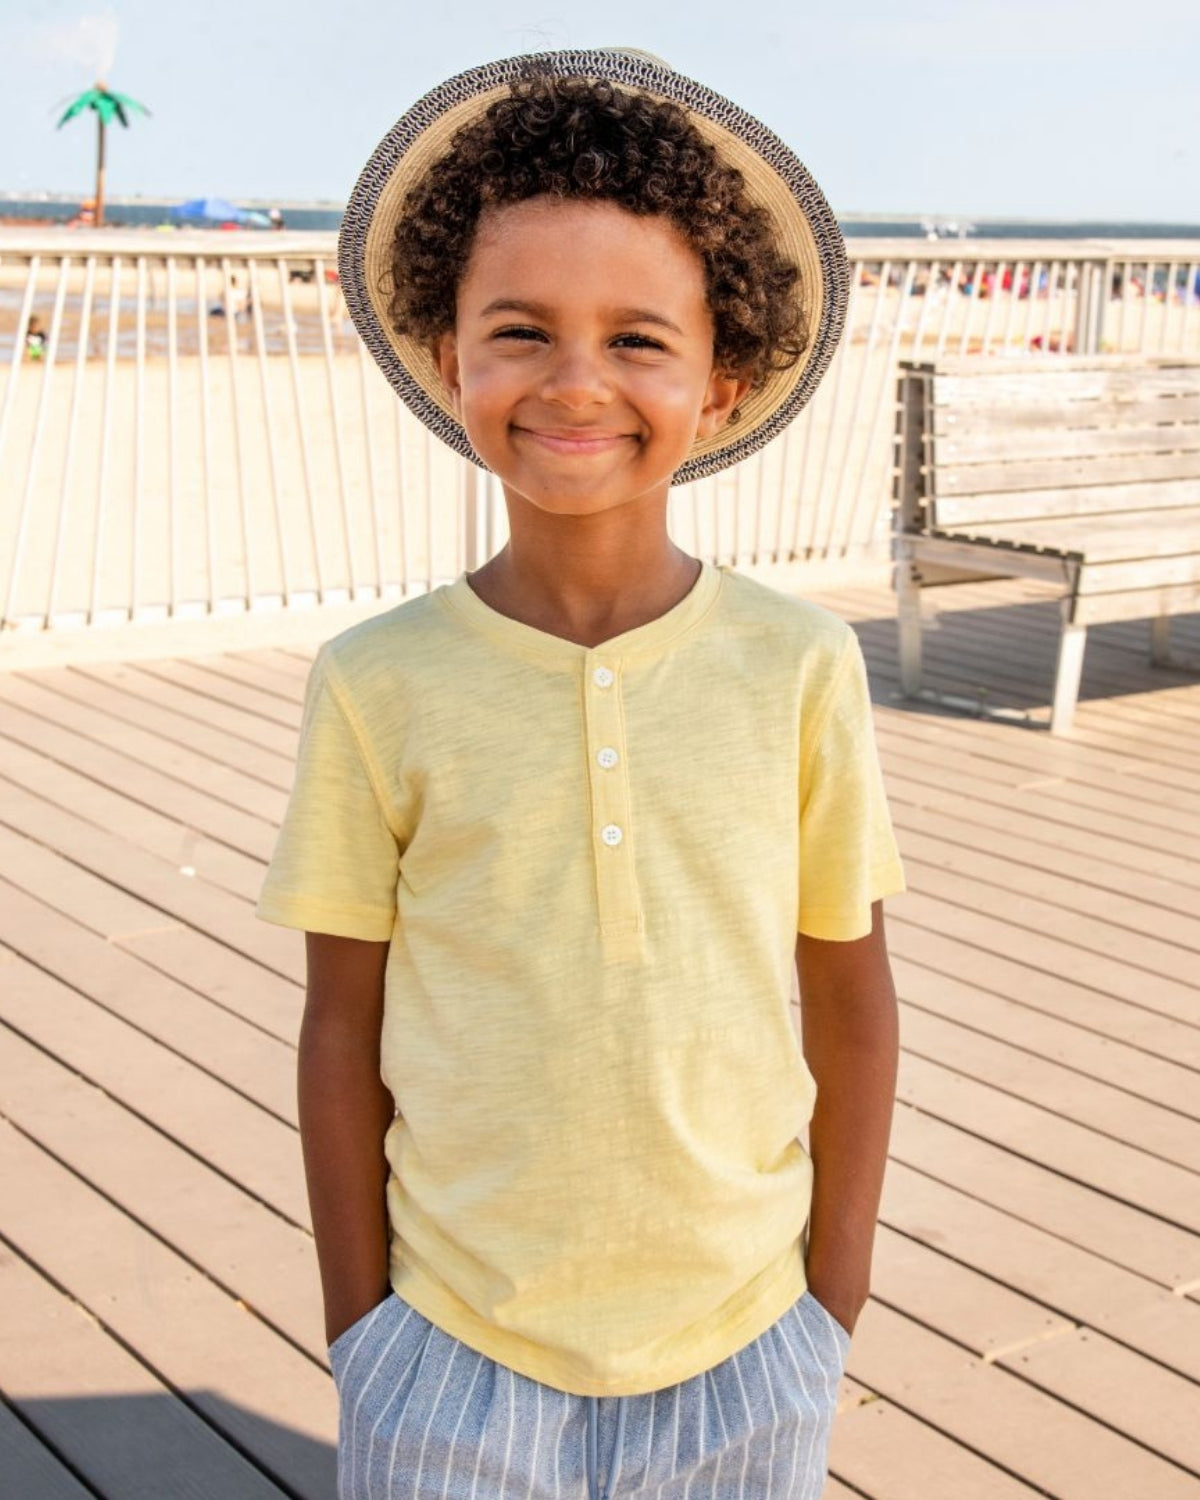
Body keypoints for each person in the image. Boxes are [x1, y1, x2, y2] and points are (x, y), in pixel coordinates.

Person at [258, 48, 904, 1500]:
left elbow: (853, 1002)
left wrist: (827, 1310)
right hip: (449, 1349)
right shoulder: (379, 682)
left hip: (748, 1349)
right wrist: (365, 1337)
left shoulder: (799, 666)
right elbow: (337, 1026)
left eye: (636, 340)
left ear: (721, 382)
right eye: (521, 330)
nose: (574, 382)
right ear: (449, 361)